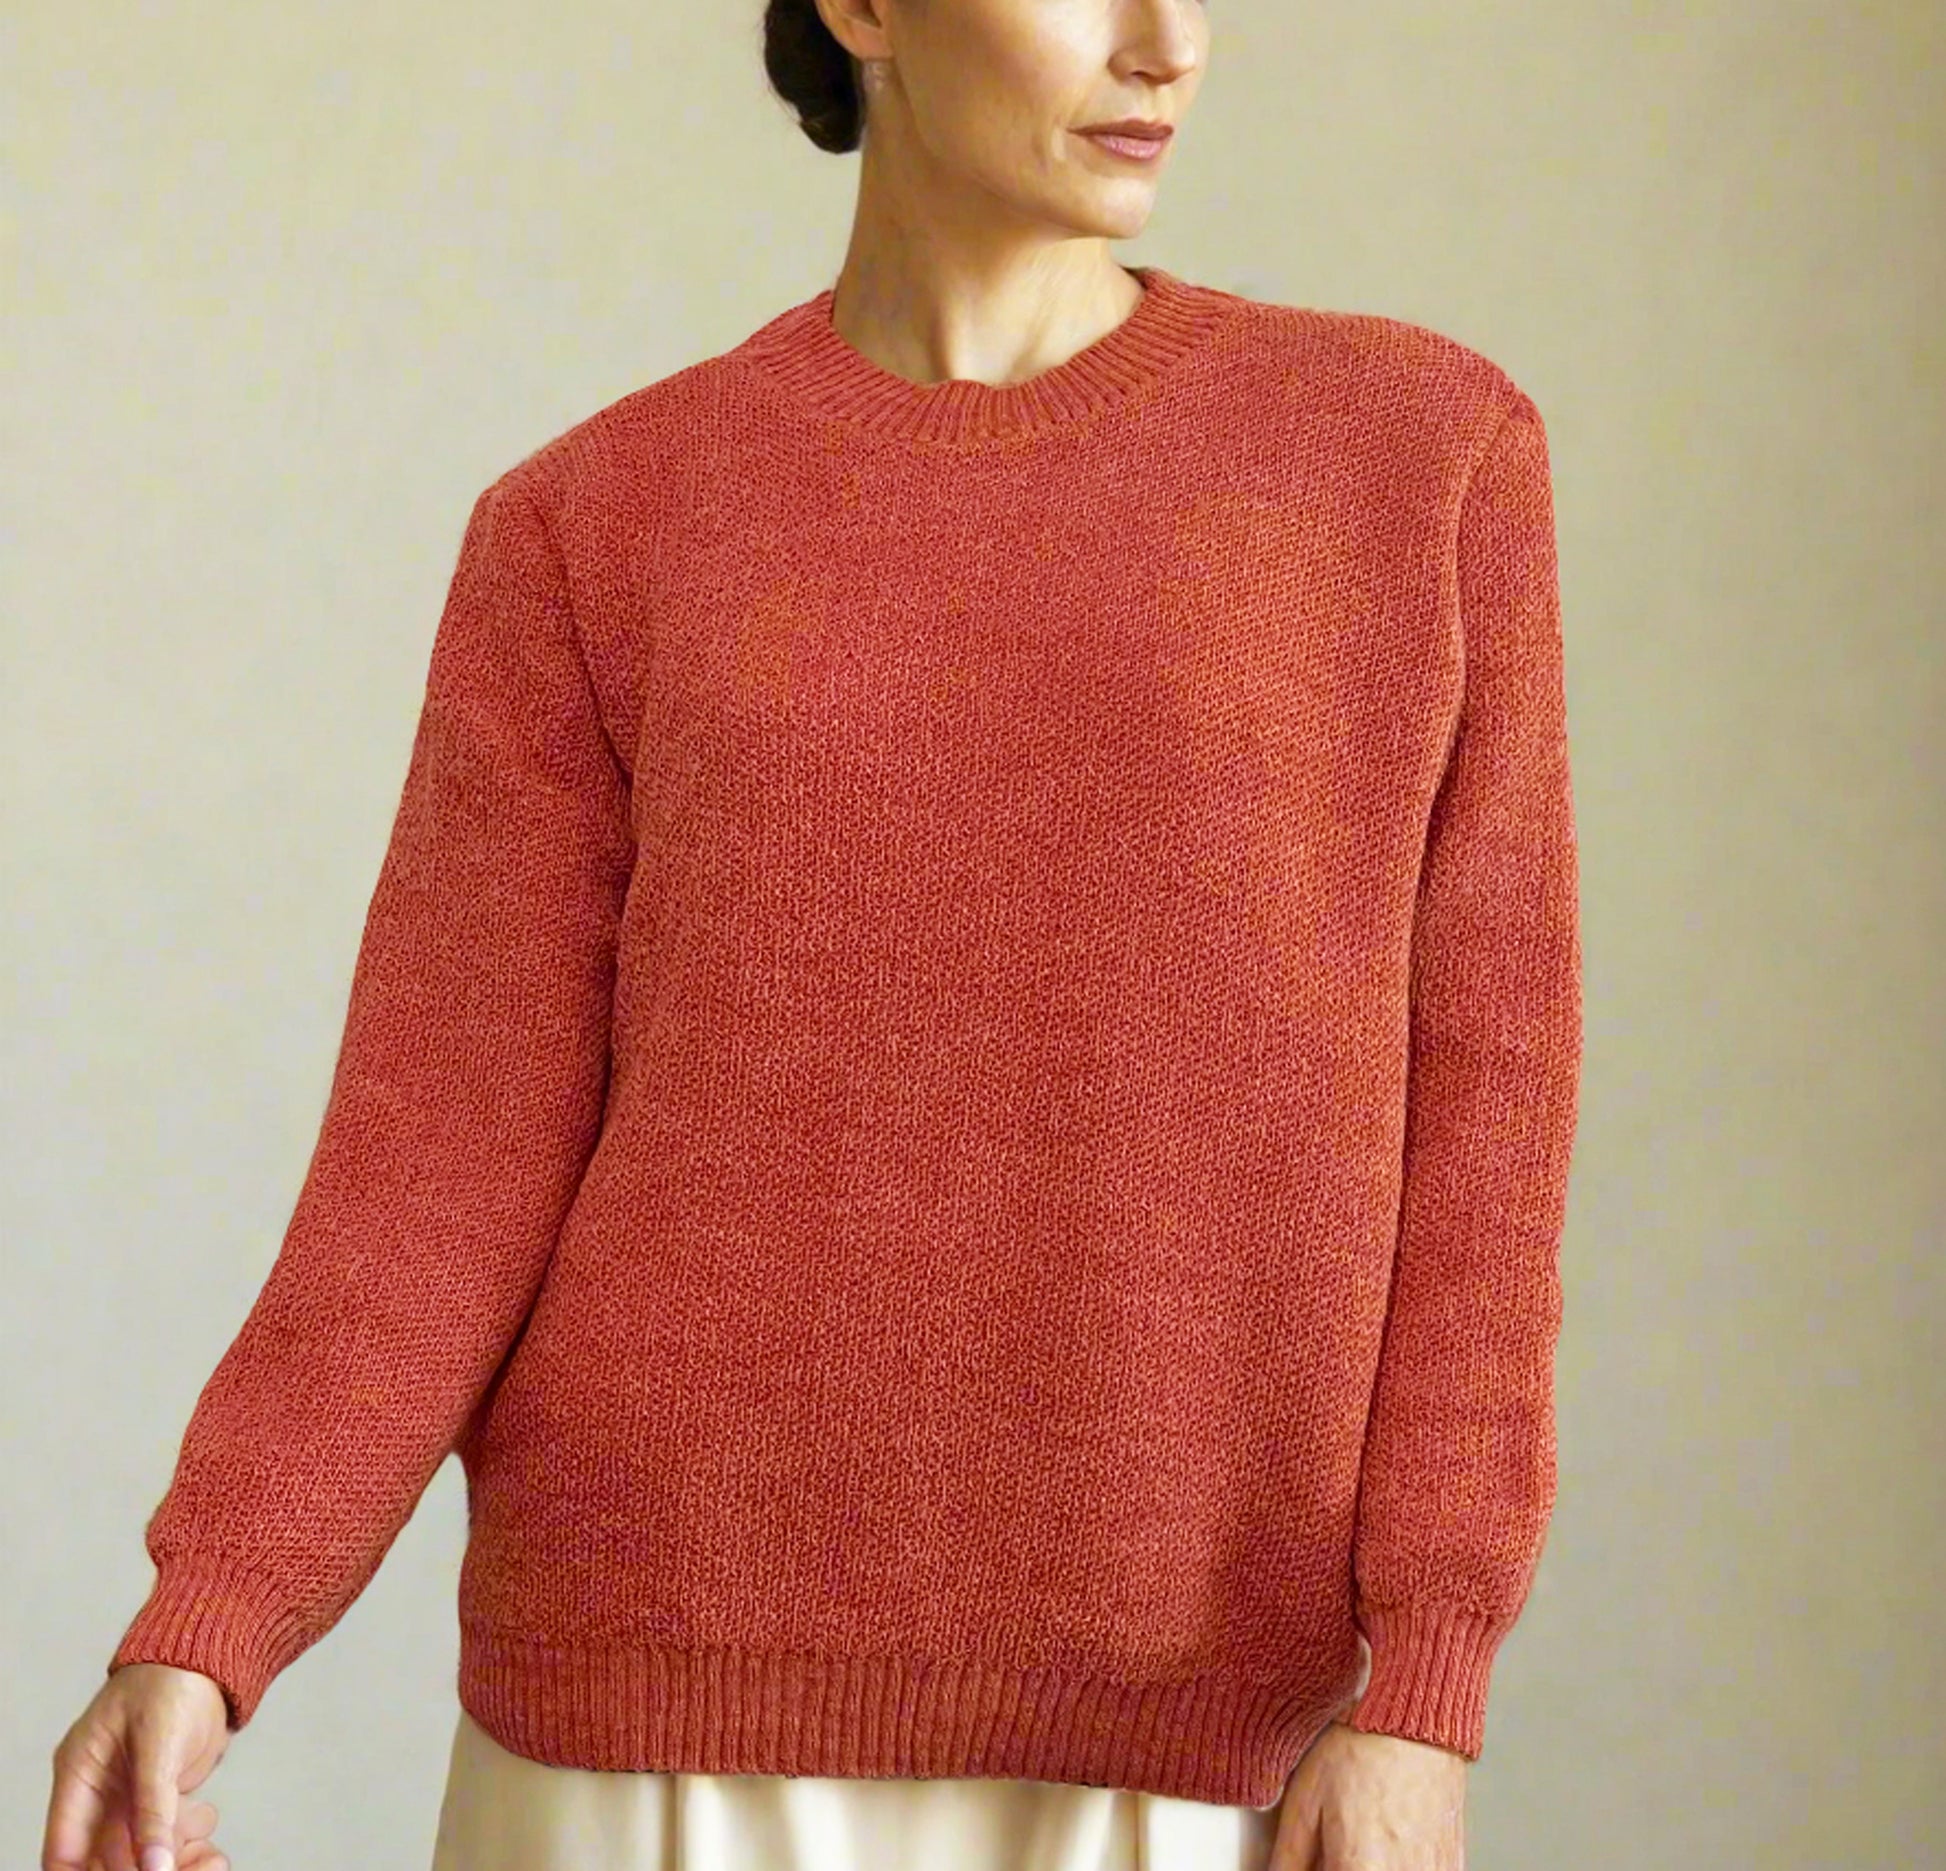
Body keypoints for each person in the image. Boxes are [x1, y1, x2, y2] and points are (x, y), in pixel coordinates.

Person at [43, 0, 1584, 1866]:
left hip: (1192, 1722)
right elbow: (442, 1146)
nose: (1169, 43)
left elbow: (1487, 1120)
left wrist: (1427, 1678)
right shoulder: (593, 524)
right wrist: (209, 1624)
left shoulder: (1413, 456)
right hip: (648, 1710)